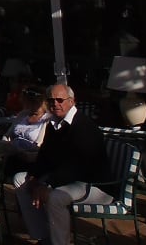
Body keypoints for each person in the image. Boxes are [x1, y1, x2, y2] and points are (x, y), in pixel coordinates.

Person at [14, 84, 112, 245]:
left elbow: (78, 166)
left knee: (56, 197)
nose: (55, 103)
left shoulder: (84, 127)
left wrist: (47, 184)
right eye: (51, 100)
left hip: (94, 184)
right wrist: (35, 177)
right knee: (21, 180)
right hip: (68, 179)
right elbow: (45, 156)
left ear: (71, 102)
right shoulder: (54, 124)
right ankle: (43, 237)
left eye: (60, 100)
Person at [0, 86, 50, 176]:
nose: (26, 104)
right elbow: (8, 134)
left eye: (30, 101)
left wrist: (20, 151)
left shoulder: (47, 119)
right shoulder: (23, 114)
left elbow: (40, 145)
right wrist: (5, 142)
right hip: (12, 152)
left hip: (31, 157)